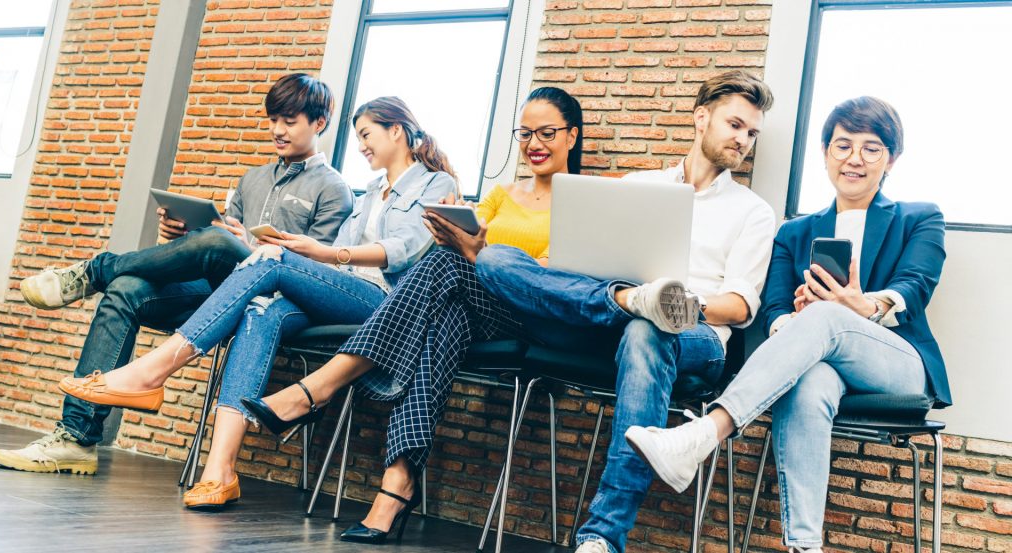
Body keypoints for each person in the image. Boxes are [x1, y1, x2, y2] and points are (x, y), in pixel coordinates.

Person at [56, 96, 457, 509]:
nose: (361, 146)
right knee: (259, 310)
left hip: (389, 304)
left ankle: (152, 371)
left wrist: (314, 254)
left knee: (273, 259)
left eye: (366, 135)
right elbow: (336, 255)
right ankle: (220, 472)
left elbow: (405, 249)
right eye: (358, 138)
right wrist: (299, 252)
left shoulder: (435, 184)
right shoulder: (371, 191)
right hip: (341, 290)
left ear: (396, 130)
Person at [241, 86, 582, 545]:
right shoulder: (503, 194)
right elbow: (470, 247)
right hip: (480, 305)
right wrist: (461, 241)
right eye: (525, 133)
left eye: (547, 133)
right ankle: (397, 482)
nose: (534, 143)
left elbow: (569, 272)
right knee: (445, 312)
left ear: (571, 136)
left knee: (442, 267)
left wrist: (498, 258)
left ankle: (319, 389)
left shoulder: (582, 197)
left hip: (531, 313)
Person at [473, 70, 778, 553]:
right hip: (603, 316)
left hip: (694, 336)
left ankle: (602, 537)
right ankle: (631, 299)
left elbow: (739, 308)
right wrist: (559, 271)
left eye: (751, 132)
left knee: (648, 327)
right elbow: (581, 265)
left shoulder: (753, 212)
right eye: (736, 125)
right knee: (494, 259)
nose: (743, 140)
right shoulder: (639, 185)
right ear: (702, 118)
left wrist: (682, 305)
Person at [627, 97, 949, 553]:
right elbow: (774, 312)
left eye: (871, 148)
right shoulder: (793, 231)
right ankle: (803, 545)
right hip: (820, 360)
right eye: (842, 146)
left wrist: (862, 306)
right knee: (810, 378)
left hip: (896, 362)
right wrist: (797, 322)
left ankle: (705, 432)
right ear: (825, 153)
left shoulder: (920, 217)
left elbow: (914, 288)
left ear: (891, 159)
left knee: (827, 315)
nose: (854, 158)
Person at [0, 73, 353, 476]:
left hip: (274, 301)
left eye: (289, 121)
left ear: (318, 122)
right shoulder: (253, 178)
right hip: (222, 294)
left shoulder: (333, 189)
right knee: (127, 289)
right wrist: (180, 235)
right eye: (272, 120)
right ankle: (76, 438)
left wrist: (231, 243)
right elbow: (226, 233)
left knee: (216, 242)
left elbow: (314, 272)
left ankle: (95, 269)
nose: (277, 130)